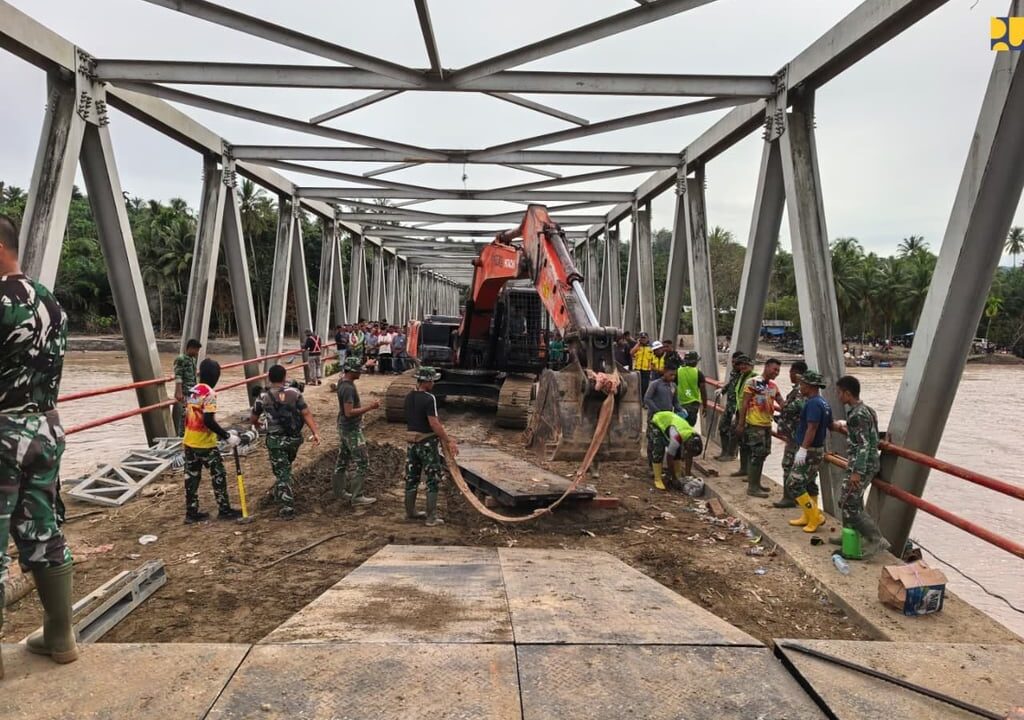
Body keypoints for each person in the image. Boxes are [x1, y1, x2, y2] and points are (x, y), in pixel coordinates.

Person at [0, 213, 78, 671]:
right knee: (42, 527)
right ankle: (60, 635)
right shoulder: (51, 301)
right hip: (44, 429)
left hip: (2, 433)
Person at [829, 375, 890, 558]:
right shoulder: (867, 410)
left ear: (848, 393)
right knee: (850, 500)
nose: (838, 396)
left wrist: (857, 472)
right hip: (864, 462)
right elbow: (872, 436)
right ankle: (849, 535)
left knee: (848, 501)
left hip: (861, 465)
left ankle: (876, 539)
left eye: (839, 393)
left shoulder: (857, 415)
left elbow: (863, 444)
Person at [251, 364, 320, 519]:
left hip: (276, 441)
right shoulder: (295, 393)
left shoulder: (263, 397)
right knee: (285, 467)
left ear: (269, 378)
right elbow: (306, 413)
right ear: (284, 377)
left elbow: (254, 417)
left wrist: (257, 424)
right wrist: (315, 432)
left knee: (282, 473)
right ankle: (280, 492)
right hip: (294, 439)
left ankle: (287, 508)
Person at [182, 359, 243, 524]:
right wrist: (227, 436)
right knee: (218, 474)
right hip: (205, 444)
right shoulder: (210, 394)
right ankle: (224, 509)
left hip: (189, 441)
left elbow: (188, 414)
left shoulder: (192, 390)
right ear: (216, 376)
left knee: (192, 477)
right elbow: (208, 421)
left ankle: (191, 513)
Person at [404, 366, 458, 526]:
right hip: (426, 443)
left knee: (411, 478)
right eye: (432, 380)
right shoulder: (429, 398)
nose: (434, 383)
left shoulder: (408, 396)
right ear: (426, 382)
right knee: (432, 479)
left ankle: (410, 512)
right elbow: (434, 424)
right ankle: (431, 518)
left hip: (411, 443)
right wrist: (448, 440)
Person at [785, 370, 831, 533]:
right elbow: (830, 424)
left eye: (803, 384)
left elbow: (812, 428)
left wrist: (803, 449)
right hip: (816, 449)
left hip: (810, 450)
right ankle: (807, 516)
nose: (800, 387)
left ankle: (815, 516)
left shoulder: (813, 404)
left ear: (810, 386)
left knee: (794, 483)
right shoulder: (823, 403)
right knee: (809, 483)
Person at [332, 357, 380, 506]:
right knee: (363, 462)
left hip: (343, 427)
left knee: (342, 461)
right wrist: (370, 407)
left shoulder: (342, 381)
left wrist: (366, 364)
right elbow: (349, 412)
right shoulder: (348, 388)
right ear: (351, 372)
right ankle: (357, 496)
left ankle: (339, 491)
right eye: (358, 370)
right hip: (351, 429)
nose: (361, 372)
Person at [734, 358, 783, 498]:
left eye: (778, 370)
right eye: (774, 369)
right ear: (766, 367)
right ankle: (752, 487)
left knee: (763, 454)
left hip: (767, 424)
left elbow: (781, 402)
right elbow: (744, 403)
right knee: (756, 454)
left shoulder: (773, 386)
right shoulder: (753, 383)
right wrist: (741, 424)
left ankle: (756, 482)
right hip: (755, 425)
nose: (776, 373)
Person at [773, 360, 808, 509]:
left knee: (788, 466)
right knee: (799, 470)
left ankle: (789, 498)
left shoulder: (800, 391)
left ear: (796, 373)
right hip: (796, 435)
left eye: (790, 372)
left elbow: (797, 407)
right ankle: (799, 500)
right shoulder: (802, 389)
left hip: (795, 436)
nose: (790, 375)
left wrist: (785, 407)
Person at [650, 410, 703, 491]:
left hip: (672, 422)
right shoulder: (676, 439)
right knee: (659, 449)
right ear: (687, 446)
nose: (687, 453)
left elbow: (689, 455)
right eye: (687, 451)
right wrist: (673, 478)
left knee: (677, 451)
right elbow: (669, 458)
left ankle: (678, 474)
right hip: (658, 421)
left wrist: (687, 476)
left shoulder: (693, 435)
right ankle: (658, 479)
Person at [644, 365, 683, 474]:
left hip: (667, 420)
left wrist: (680, 410)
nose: (673, 377)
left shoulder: (673, 386)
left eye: (674, 375)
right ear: (664, 372)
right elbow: (647, 399)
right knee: (653, 442)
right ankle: (652, 466)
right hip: (654, 418)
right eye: (671, 374)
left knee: (664, 442)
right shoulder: (655, 384)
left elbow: (675, 402)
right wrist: (657, 411)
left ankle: (665, 466)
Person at [715, 352, 753, 461]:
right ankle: (725, 452)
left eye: (736, 363)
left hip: (739, 409)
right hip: (730, 406)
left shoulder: (750, 377)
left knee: (734, 431)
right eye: (733, 362)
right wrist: (722, 390)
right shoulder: (736, 374)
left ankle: (731, 454)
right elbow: (731, 384)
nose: (734, 365)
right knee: (723, 427)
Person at [172, 339, 201, 437]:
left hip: (192, 391)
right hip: (184, 391)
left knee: (192, 413)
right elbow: (178, 376)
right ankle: (182, 436)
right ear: (190, 348)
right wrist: (178, 391)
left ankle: (190, 433)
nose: (197, 353)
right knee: (184, 414)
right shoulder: (180, 359)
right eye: (196, 350)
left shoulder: (192, 359)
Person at [675, 351, 707, 426]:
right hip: (693, 405)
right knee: (689, 427)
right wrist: (705, 406)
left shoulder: (678, 371)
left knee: (679, 427)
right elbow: (703, 391)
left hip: (679, 404)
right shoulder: (699, 373)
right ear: (695, 362)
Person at [631, 332, 655, 398]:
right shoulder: (637, 347)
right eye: (642, 338)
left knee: (644, 386)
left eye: (644, 338)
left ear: (647, 338)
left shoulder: (651, 348)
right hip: (637, 369)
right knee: (636, 385)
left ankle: (643, 399)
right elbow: (631, 353)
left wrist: (652, 367)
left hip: (646, 370)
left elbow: (653, 359)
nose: (643, 339)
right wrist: (638, 344)